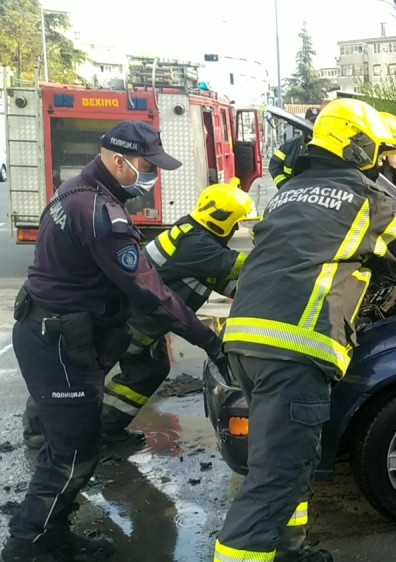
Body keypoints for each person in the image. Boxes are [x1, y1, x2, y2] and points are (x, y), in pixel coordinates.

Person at [214, 98, 396, 562]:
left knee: (289, 464)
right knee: (274, 477)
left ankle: (290, 550)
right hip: (293, 350)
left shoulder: (290, 191)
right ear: (356, 146)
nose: (379, 159)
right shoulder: (363, 197)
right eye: (374, 149)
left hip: (245, 342)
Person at [2, 121, 230, 562]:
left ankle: (49, 533)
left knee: (65, 448)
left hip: (50, 332)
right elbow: (150, 291)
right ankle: (28, 545)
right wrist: (208, 340)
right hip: (61, 343)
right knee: (73, 455)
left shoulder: (74, 191)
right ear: (118, 160)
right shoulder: (102, 215)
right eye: (147, 166)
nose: (151, 176)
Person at [269, 106, 320, 188]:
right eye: (311, 121)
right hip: (291, 193)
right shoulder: (290, 144)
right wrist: (283, 186)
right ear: (304, 122)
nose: (313, 124)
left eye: (316, 121)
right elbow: (274, 164)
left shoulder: (325, 147)